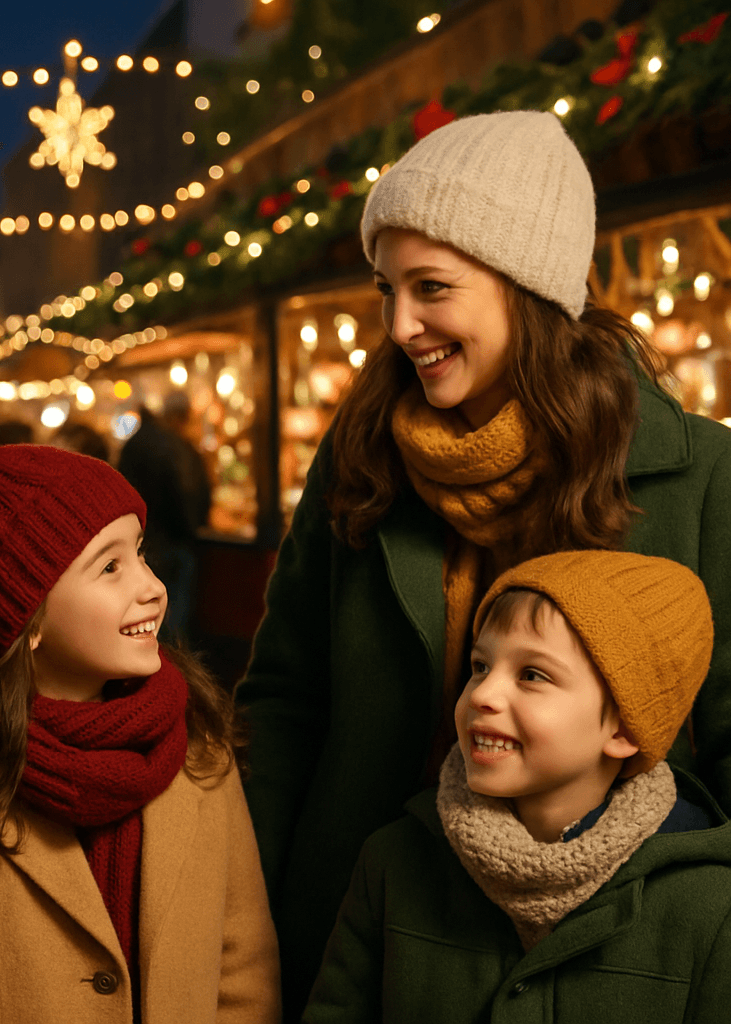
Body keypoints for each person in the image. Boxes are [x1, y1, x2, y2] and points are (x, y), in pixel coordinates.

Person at [235, 109, 731, 1020]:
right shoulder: (361, 458)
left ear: (524, 286)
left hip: (609, 954)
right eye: (387, 289)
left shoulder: (698, 473)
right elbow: (286, 699)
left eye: (432, 288)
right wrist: (249, 915)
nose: (400, 325)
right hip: (364, 928)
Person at [0, 442, 280, 1024]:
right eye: (110, 567)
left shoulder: (198, 750)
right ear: (25, 617)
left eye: (139, 553)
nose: (153, 587)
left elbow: (243, 975)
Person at [304, 550, 731, 1023]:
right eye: (480, 666)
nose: (482, 695)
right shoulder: (393, 863)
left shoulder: (711, 907)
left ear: (624, 730)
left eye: (532, 675)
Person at [118, 392, 211, 641]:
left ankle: (155, 667)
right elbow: (187, 494)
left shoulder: (134, 443)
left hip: (142, 543)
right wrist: (193, 530)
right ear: (181, 417)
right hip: (174, 541)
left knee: (148, 614)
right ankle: (174, 670)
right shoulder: (175, 445)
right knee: (175, 616)